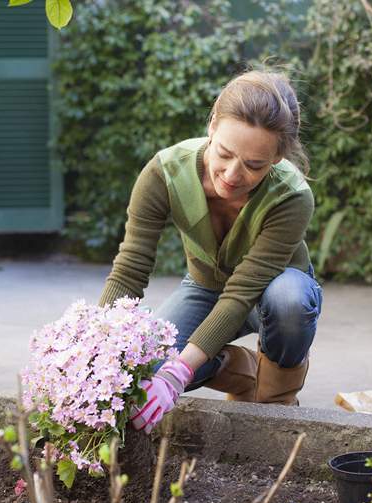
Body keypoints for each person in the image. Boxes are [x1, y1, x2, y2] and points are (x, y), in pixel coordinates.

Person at [97, 69, 323, 434]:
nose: (233, 174)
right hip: (204, 287)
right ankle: (240, 371)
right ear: (213, 124)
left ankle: (274, 404)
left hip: (268, 291)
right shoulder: (165, 173)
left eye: (254, 165)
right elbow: (130, 269)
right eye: (224, 153)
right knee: (146, 370)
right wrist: (97, 347)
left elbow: (243, 291)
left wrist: (182, 371)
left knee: (290, 301)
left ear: (278, 158)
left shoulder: (292, 196)